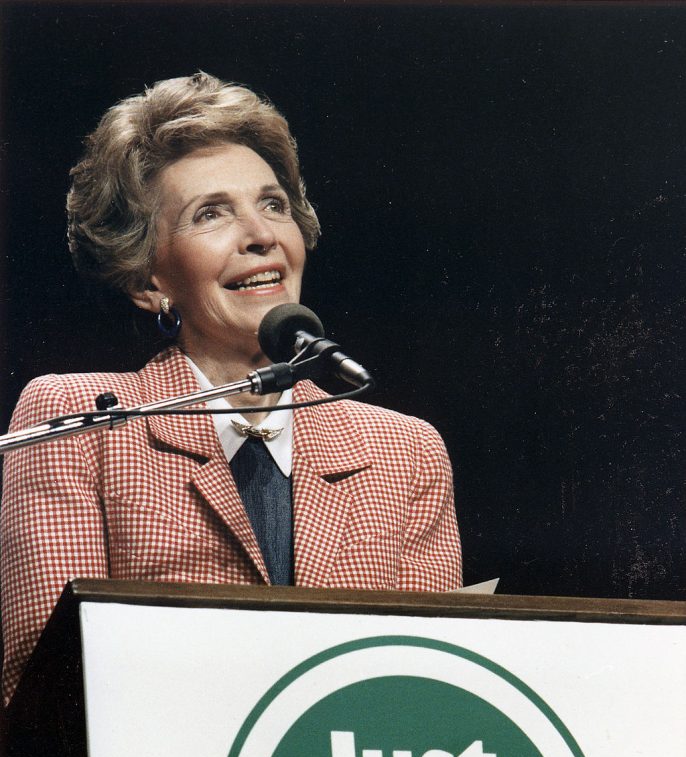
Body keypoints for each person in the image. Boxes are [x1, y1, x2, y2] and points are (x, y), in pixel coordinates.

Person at [0, 72, 462, 705]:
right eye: (210, 213)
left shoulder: (404, 452)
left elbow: (433, 692)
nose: (260, 234)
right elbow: (44, 686)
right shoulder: (82, 421)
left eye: (273, 204)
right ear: (148, 279)